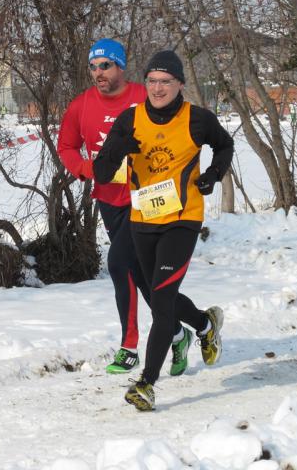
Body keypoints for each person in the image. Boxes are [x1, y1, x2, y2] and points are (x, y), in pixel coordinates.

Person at [94, 50, 234, 411]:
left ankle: (146, 384)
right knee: (159, 298)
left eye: (166, 82)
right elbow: (100, 171)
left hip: (182, 219)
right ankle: (204, 323)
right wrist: (117, 151)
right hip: (143, 220)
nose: (158, 88)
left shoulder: (197, 120)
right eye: (152, 81)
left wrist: (212, 176)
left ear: (180, 85)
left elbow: (225, 145)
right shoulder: (130, 119)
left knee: (162, 303)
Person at [56, 39, 193, 376]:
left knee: (118, 264)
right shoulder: (81, 105)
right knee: (144, 277)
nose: (98, 72)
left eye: (106, 65)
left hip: (146, 198)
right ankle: (184, 330)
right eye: (93, 66)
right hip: (108, 199)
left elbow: (175, 132)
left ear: (120, 67)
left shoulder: (144, 97)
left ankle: (129, 346)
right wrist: (89, 169)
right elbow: (67, 146)